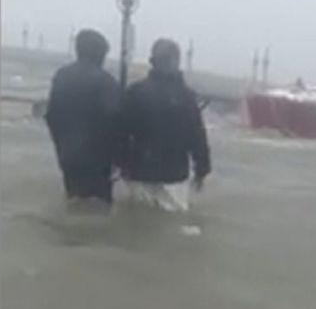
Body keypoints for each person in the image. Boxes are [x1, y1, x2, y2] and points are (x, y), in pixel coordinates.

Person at [117, 38, 211, 213]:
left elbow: (121, 133)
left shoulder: (136, 91)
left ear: (153, 62)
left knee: (137, 222)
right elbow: (197, 136)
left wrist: (122, 165)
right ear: (176, 61)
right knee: (172, 224)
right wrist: (202, 169)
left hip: (139, 171)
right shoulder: (186, 96)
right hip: (174, 175)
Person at [44, 29, 122, 206]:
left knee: (74, 199)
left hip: (67, 154)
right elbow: (114, 121)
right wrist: (118, 159)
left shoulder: (62, 76)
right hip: (97, 159)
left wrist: (60, 144)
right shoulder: (105, 82)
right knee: (98, 208)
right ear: (99, 53)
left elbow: (51, 115)